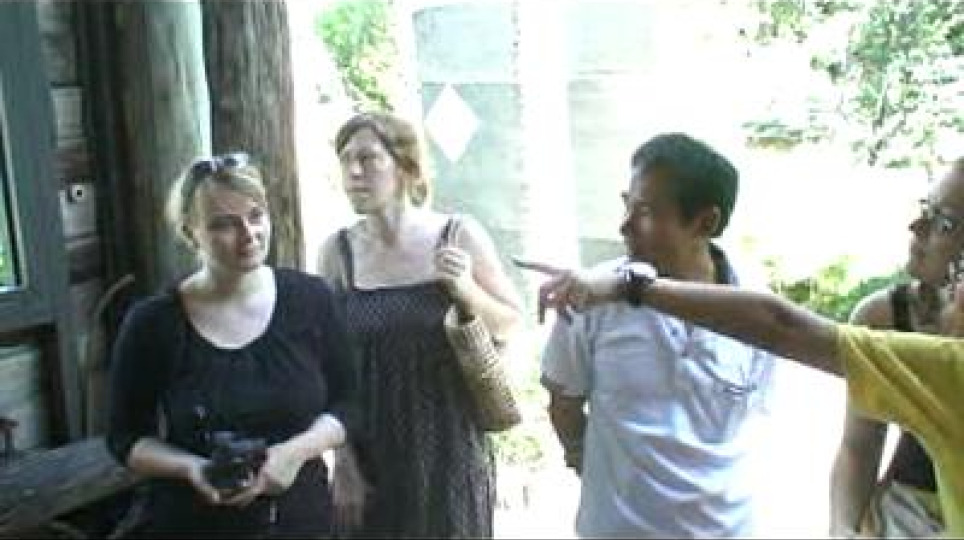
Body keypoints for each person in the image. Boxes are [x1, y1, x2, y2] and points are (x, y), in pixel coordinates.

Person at [516, 170, 964, 537]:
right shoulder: (898, 327)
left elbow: (777, 327)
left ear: (705, 222)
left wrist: (628, 288)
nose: (625, 226)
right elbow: (855, 445)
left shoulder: (949, 369)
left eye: (944, 223)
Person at [106, 152, 360, 538]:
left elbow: (348, 403)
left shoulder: (311, 299)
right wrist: (191, 467)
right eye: (224, 224)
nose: (248, 234)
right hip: (193, 524)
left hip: (300, 520)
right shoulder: (153, 323)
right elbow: (125, 438)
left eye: (256, 215)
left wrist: (294, 452)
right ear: (191, 232)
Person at [539, 133, 774, 538]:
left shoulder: (756, 309)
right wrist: (599, 477)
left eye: (645, 211)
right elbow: (564, 404)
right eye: (626, 205)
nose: (625, 225)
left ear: (706, 223)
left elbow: (750, 417)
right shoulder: (590, 298)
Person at [316, 111, 523, 538]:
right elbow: (327, 367)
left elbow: (508, 324)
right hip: (371, 451)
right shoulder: (338, 253)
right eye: (346, 160)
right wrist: (344, 462)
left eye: (368, 159)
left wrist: (466, 289)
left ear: (404, 166)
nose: (354, 172)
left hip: (450, 447)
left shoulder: (457, 235)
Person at [829, 161, 964, 538]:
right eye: (925, 209)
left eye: (944, 223)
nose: (916, 227)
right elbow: (858, 449)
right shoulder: (884, 317)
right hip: (905, 518)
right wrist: (843, 529)